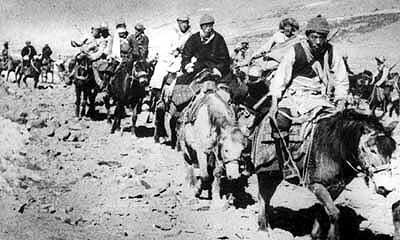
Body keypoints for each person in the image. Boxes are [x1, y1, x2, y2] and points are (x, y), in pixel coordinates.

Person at [261, 15, 349, 181]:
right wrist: (274, 103)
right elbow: (281, 77)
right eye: (314, 37)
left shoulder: (331, 51)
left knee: (336, 124)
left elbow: (341, 78)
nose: (317, 41)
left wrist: (341, 100)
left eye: (321, 37)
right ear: (308, 36)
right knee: (280, 121)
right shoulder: (296, 50)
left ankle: (331, 165)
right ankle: (285, 163)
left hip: (317, 96)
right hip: (294, 95)